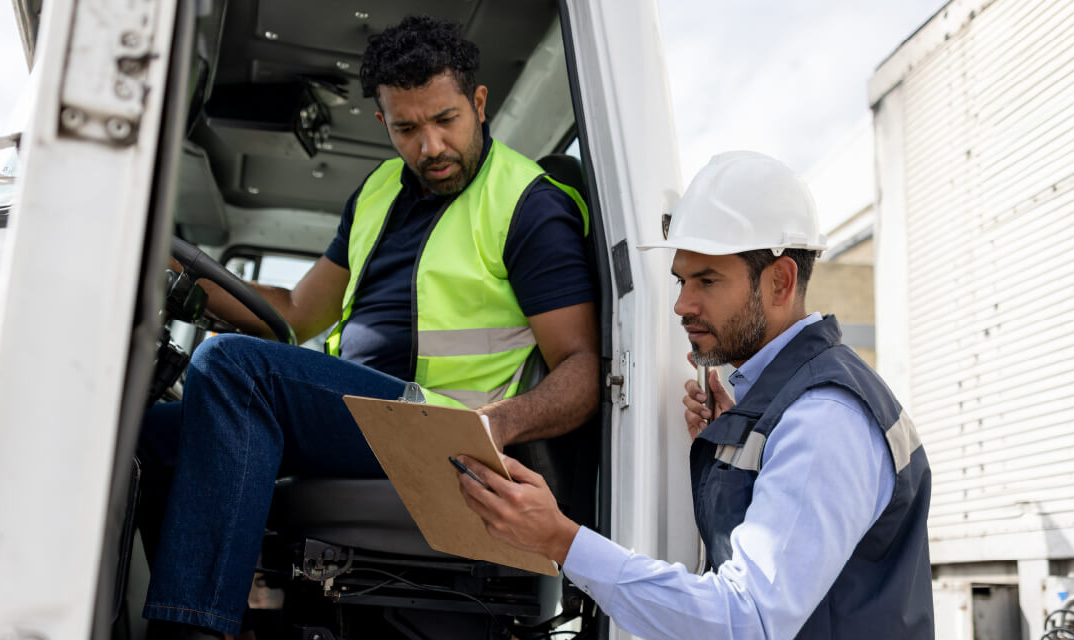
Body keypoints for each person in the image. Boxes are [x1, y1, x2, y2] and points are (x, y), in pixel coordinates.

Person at [139, 15, 600, 639]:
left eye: (446, 120)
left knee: (230, 365)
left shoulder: (527, 203)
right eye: (408, 128)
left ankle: (192, 630)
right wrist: (165, 259)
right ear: (384, 122)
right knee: (140, 435)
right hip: (354, 412)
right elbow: (297, 315)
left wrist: (500, 422)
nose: (430, 146)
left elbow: (581, 369)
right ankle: (230, 618)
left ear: (479, 103)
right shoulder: (378, 190)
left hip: (440, 426)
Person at [455, 151, 934, 639]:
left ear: (781, 282)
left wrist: (561, 540)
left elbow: (747, 622)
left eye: (707, 280)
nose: (682, 304)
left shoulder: (823, 418)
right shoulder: (773, 407)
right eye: (682, 280)